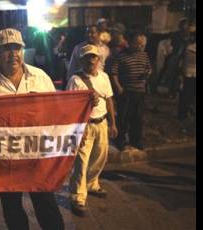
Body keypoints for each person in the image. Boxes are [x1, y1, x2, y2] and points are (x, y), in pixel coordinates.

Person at [0, 28, 64, 230]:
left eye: (17, 48)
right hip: (4, 159)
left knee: (46, 204)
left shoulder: (41, 78)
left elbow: (57, 111)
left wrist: (84, 106)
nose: (13, 54)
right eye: (6, 49)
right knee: (12, 207)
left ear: (23, 50)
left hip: (36, 155)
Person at [67, 44, 117, 217]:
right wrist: (77, 130)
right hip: (85, 126)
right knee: (81, 162)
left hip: (102, 123)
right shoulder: (75, 80)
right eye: (87, 57)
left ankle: (92, 184)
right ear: (81, 60)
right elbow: (71, 108)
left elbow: (109, 100)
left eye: (94, 57)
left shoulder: (104, 77)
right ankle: (77, 197)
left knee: (100, 157)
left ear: (98, 59)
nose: (91, 60)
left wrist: (113, 123)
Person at [111, 33, 152, 151]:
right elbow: (114, 73)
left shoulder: (144, 55)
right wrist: (118, 87)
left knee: (137, 118)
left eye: (141, 44)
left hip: (139, 91)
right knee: (123, 117)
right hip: (126, 91)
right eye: (136, 43)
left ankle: (136, 140)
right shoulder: (120, 56)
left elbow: (149, 68)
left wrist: (148, 73)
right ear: (129, 42)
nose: (139, 46)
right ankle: (120, 140)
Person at [177, 32, 196, 120]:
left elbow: (180, 59)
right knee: (192, 94)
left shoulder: (186, 47)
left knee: (184, 94)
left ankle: (182, 114)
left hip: (187, 73)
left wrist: (179, 73)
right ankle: (189, 112)